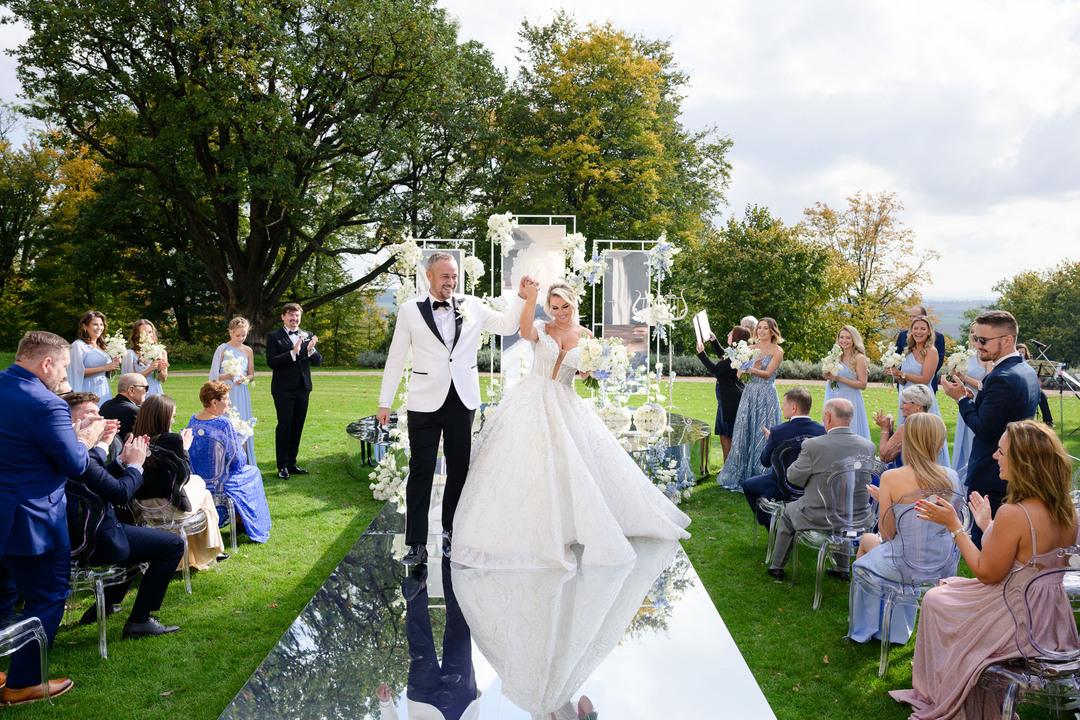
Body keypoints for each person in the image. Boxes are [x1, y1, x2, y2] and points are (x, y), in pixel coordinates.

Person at [451, 281, 690, 571]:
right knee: (526, 462)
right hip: (532, 397)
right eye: (555, 307)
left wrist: (604, 368)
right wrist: (531, 300)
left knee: (572, 465)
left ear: (573, 304)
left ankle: (569, 526)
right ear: (548, 307)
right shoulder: (542, 327)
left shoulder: (587, 336)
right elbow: (524, 332)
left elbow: (588, 373)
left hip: (565, 400)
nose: (560, 312)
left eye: (565, 306)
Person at [890, 420, 1079, 718]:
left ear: (1023, 462)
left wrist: (955, 525)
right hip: (1051, 618)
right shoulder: (1067, 510)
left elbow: (986, 572)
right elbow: (1026, 557)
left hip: (1018, 621)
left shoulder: (1015, 513)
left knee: (936, 600)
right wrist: (987, 525)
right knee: (947, 591)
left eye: (1001, 452)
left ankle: (937, 691)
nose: (994, 457)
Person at [377, 252, 530, 566]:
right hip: (423, 402)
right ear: (430, 277)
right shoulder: (409, 311)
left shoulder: (471, 305)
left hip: (462, 399)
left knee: (459, 469)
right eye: (445, 276)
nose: (451, 281)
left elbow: (507, 325)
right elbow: (395, 357)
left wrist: (521, 297)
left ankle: (451, 532)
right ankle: (417, 544)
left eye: (454, 276)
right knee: (420, 471)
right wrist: (385, 402)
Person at [0, 332, 105, 705]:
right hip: (31, 520)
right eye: (61, 367)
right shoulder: (46, 404)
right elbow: (74, 463)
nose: (63, 375)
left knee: (3, 591)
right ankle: (21, 684)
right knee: (47, 597)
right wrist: (86, 439)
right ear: (46, 363)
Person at [62, 392, 185, 640]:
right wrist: (136, 465)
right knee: (173, 545)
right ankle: (140, 620)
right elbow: (119, 493)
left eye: (98, 412)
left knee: (142, 545)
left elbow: (98, 480)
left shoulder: (69, 450)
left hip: (81, 535)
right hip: (95, 540)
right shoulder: (79, 455)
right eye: (90, 413)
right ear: (72, 419)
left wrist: (119, 460)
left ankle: (102, 608)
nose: (99, 418)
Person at [848, 414, 961, 645]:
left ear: (907, 442)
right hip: (943, 564)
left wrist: (885, 503)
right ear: (939, 442)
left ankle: (867, 627)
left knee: (867, 544)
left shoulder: (891, 477)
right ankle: (894, 627)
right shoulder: (953, 477)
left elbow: (888, 535)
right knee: (874, 545)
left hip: (904, 565)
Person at [940, 310, 1040, 546]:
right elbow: (1000, 415)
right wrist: (971, 398)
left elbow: (984, 428)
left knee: (987, 543)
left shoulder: (1002, 376)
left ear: (1007, 340)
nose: (978, 346)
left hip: (991, 473)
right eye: (976, 339)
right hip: (1014, 470)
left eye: (983, 340)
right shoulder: (1025, 369)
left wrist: (961, 400)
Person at [766, 398, 878, 580]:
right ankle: (842, 569)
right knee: (841, 508)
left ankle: (776, 567)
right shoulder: (868, 446)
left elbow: (793, 477)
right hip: (858, 517)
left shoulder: (813, 446)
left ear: (827, 417)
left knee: (787, 514)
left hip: (818, 516)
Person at [131, 393, 226, 570]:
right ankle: (213, 550)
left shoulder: (134, 440)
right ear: (162, 417)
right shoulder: (171, 440)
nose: (173, 422)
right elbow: (183, 477)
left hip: (143, 508)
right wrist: (184, 450)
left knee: (203, 495)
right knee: (201, 487)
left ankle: (202, 554)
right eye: (172, 416)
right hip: (171, 509)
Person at [187, 381, 271, 543]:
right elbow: (239, 460)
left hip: (198, 479)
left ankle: (240, 519)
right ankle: (245, 522)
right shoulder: (223, 424)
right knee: (253, 472)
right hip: (220, 483)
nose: (230, 402)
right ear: (214, 402)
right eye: (226, 398)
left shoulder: (194, 420)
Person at [715, 317, 784, 492]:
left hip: (767, 394)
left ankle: (763, 473)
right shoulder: (749, 349)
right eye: (759, 328)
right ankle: (743, 473)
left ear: (772, 331)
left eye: (765, 328)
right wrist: (746, 367)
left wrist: (751, 368)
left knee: (763, 431)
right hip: (749, 393)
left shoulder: (777, 351)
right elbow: (738, 373)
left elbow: (768, 374)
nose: (761, 331)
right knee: (746, 430)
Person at [743, 387, 826, 528]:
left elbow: (765, 462)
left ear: (793, 408)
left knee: (747, 485)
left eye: (784, 404)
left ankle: (770, 526)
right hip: (813, 488)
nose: (782, 408)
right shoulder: (823, 431)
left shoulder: (777, 432)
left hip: (782, 487)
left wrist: (770, 440)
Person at [266, 302, 321, 479]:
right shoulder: (274, 336)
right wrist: (292, 352)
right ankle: (282, 466)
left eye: (297, 315)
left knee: (297, 426)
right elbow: (271, 362)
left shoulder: (308, 336)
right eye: (290, 315)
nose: (294, 319)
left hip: (303, 388)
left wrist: (311, 350)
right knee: (285, 426)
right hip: (283, 390)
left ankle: (292, 463)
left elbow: (318, 362)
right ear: (283, 317)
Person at [695, 325, 750, 464]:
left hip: (730, 400)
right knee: (724, 433)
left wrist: (702, 353)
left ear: (736, 338)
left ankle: (730, 466)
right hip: (726, 399)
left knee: (727, 433)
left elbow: (716, 368)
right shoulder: (734, 352)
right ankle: (727, 465)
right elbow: (722, 354)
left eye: (730, 333)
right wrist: (714, 341)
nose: (728, 334)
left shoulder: (735, 356)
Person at [210, 317, 257, 464]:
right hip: (226, 392)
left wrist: (245, 379)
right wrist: (228, 376)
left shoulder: (248, 350)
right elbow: (214, 375)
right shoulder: (222, 349)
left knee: (242, 425)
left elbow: (252, 374)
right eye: (238, 335)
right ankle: (225, 461)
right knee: (227, 422)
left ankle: (243, 461)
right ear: (230, 333)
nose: (241, 338)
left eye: (244, 335)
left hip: (242, 392)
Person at [949, 327, 993, 483]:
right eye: (972, 331)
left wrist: (963, 377)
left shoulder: (988, 358)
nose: (975, 335)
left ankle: (973, 476)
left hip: (980, 402)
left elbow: (984, 384)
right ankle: (960, 479)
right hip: (965, 399)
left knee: (974, 440)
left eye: (978, 331)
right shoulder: (967, 356)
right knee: (962, 441)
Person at [873, 384, 949, 468]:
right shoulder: (937, 425)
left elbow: (884, 457)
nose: (901, 407)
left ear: (918, 405)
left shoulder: (906, 428)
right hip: (931, 471)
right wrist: (892, 435)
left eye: (904, 402)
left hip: (904, 474)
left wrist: (885, 429)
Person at [889, 316, 943, 428]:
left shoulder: (931, 351)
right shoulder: (909, 350)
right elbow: (904, 381)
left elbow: (925, 379)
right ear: (911, 331)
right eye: (915, 328)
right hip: (906, 399)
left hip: (922, 398)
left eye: (923, 329)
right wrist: (897, 376)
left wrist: (901, 374)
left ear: (929, 332)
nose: (918, 332)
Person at [822, 325, 871, 441]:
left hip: (851, 398)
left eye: (848, 338)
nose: (844, 341)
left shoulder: (859, 358)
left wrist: (839, 378)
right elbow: (831, 381)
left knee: (850, 429)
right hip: (834, 396)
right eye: (841, 337)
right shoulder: (835, 356)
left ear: (854, 339)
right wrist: (828, 376)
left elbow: (862, 384)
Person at [67, 309, 119, 401]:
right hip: (87, 388)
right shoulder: (78, 345)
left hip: (103, 387)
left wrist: (115, 364)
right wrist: (105, 368)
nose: (99, 328)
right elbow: (76, 371)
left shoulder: (104, 346)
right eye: (95, 325)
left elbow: (107, 371)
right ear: (84, 326)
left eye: (101, 324)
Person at [895, 305, 946, 392]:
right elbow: (898, 359)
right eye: (910, 316)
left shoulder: (933, 348)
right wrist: (896, 374)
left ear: (929, 331)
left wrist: (903, 374)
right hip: (905, 391)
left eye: (914, 316)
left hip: (923, 392)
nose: (911, 319)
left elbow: (928, 376)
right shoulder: (908, 349)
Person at [121, 319, 169, 395]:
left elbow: (163, 380)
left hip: (156, 391)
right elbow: (130, 381)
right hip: (138, 393)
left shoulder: (161, 352)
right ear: (137, 335)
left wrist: (159, 369)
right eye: (144, 333)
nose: (148, 335)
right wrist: (150, 369)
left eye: (150, 332)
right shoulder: (130, 354)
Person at [99, 372, 150, 439]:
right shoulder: (134, 411)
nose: (147, 392)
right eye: (146, 388)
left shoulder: (105, 405)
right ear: (131, 390)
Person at [1016, 343, 1054, 427]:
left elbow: (1038, 381)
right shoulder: (1015, 361)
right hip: (1019, 385)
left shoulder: (1031, 363)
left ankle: (1048, 420)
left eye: (1023, 352)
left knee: (1043, 396)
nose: (1021, 354)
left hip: (1031, 385)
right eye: (1019, 352)